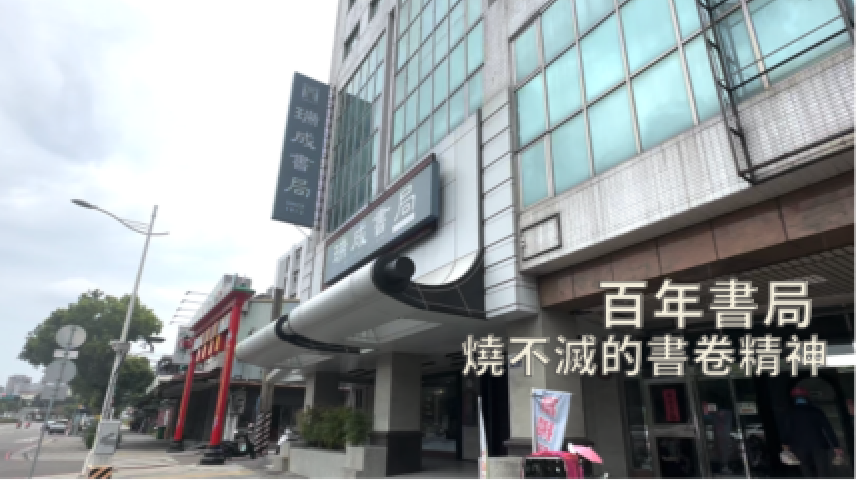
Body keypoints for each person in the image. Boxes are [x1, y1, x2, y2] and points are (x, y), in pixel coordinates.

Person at [781, 387, 843, 480]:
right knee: (823, 471)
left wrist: (785, 445)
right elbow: (828, 429)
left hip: (799, 447)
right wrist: (836, 446)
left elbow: (787, 430)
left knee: (806, 471)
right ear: (807, 397)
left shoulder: (789, 413)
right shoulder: (816, 411)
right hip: (818, 445)